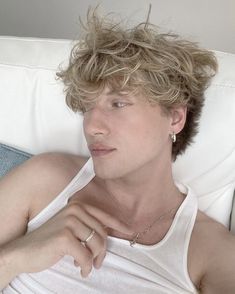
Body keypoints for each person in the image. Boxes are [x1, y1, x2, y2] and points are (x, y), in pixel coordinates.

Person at [0, 8, 235, 294]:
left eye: (118, 104)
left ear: (174, 117)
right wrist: (15, 258)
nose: (91, 126)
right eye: (87, 107)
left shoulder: (210, 250)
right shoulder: (45, 179)